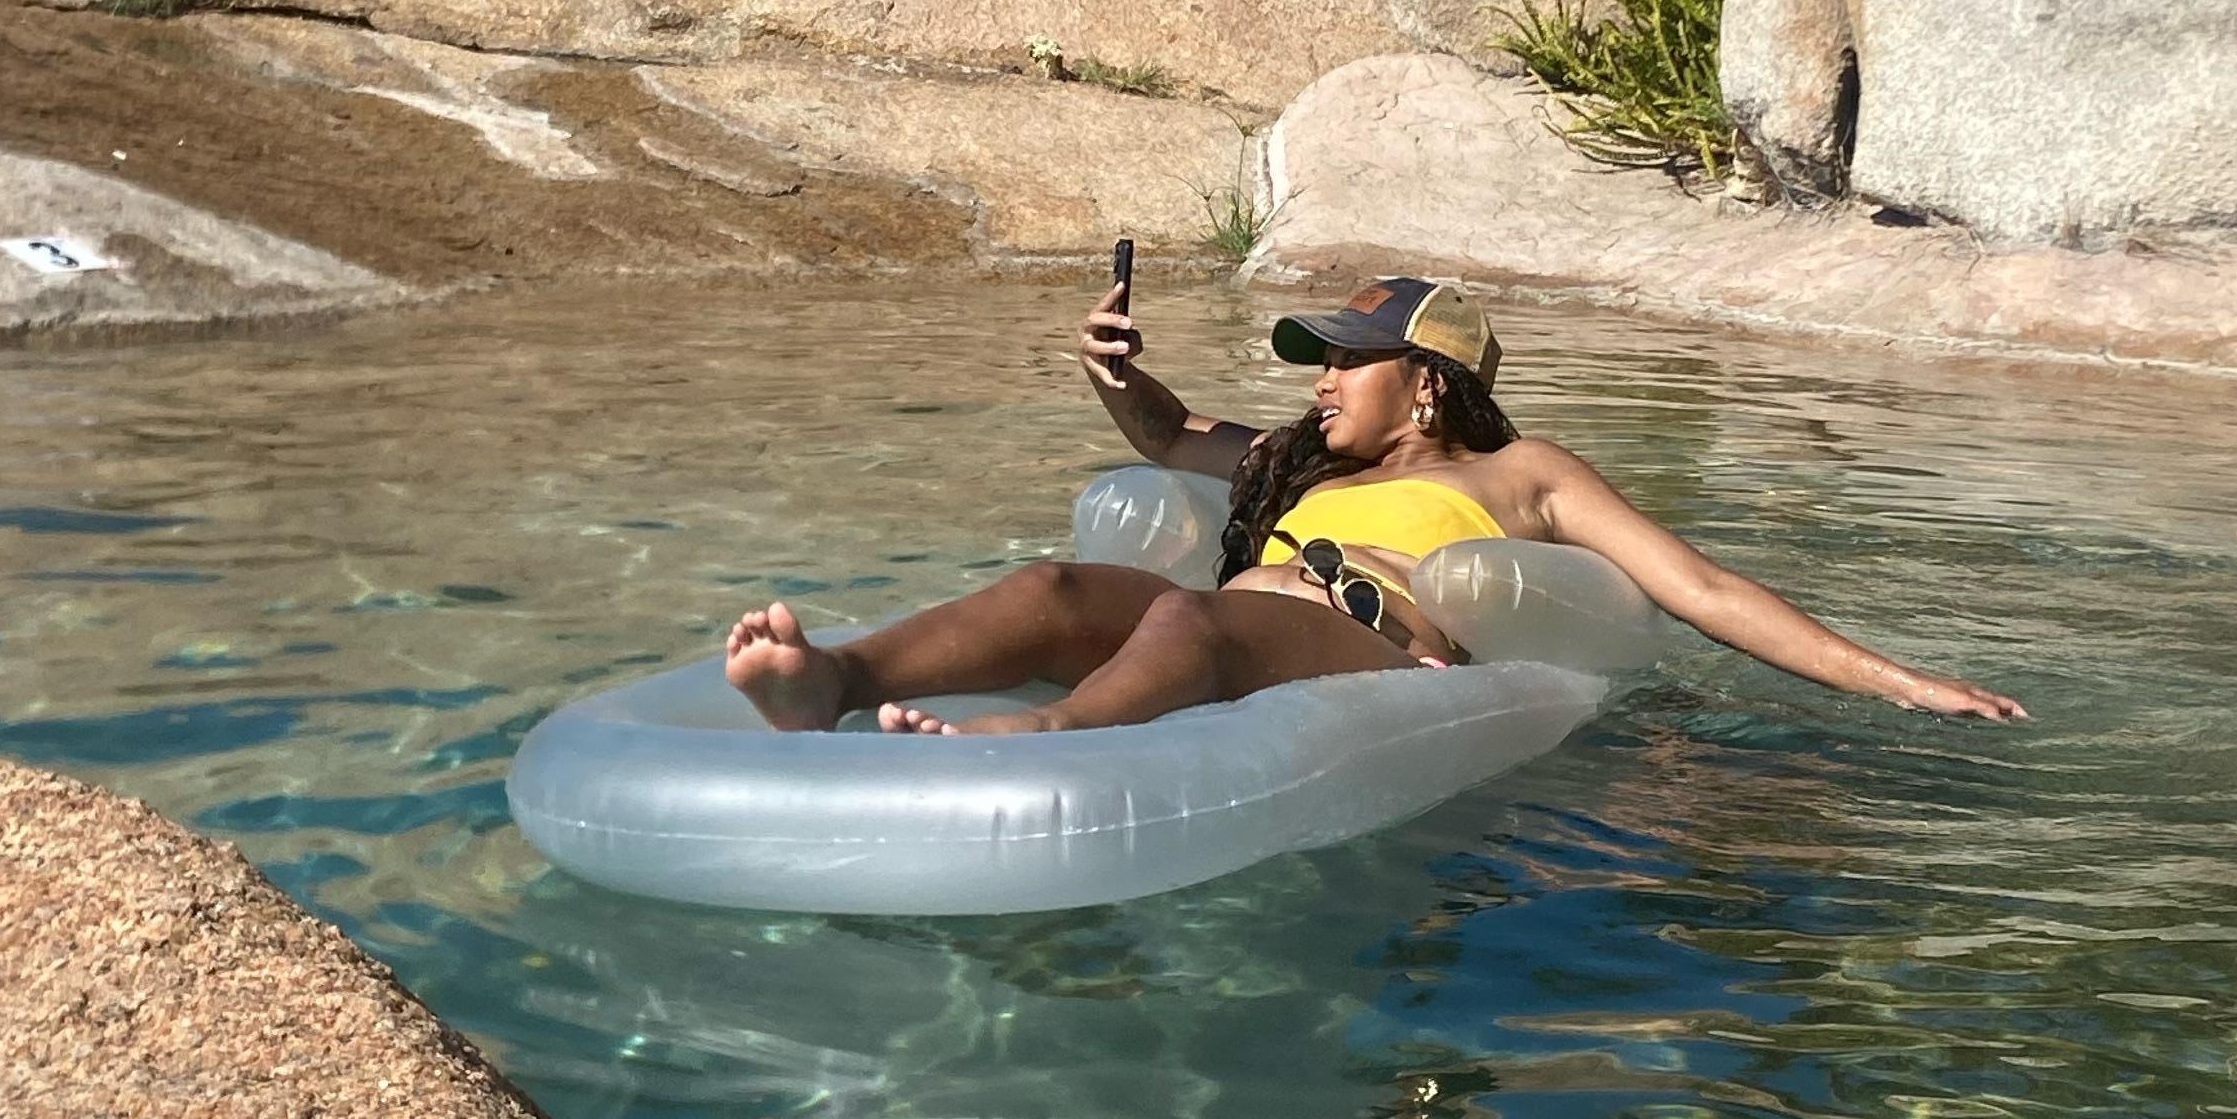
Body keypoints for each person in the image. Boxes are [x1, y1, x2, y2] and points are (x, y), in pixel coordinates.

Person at [726, 270, 2026, 736]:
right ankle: (829, 680)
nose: (1325, 378)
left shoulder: (1524, 477)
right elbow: (1174, 435)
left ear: (1431, 385)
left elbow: (1705, 592)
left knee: (1197, 630)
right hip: (1245, 615)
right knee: (1055, 589)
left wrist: (1905, 684)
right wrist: (1110, 371)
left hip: (1377, 644)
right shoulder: (1308, 463)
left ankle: (1051, 737)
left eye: (1351, 359)